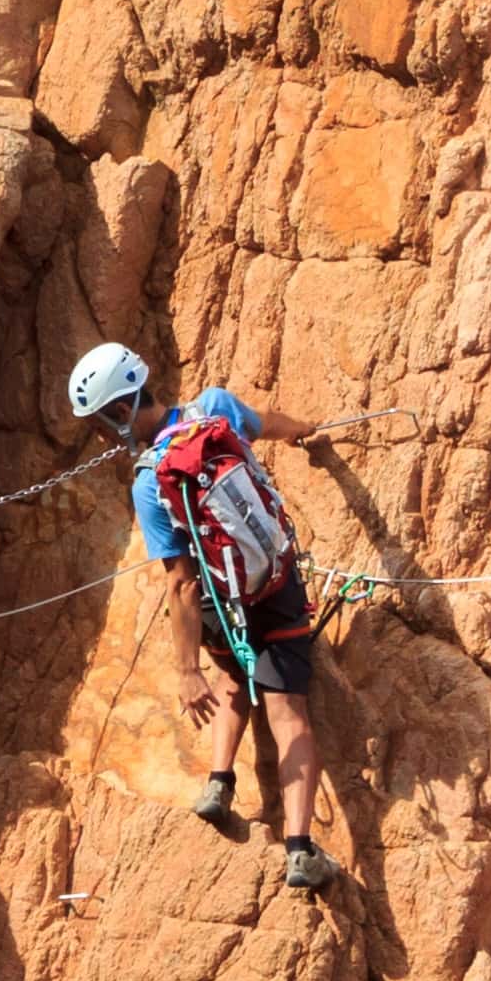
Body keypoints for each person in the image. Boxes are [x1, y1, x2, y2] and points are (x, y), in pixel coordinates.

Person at [71, 341, 349, 895]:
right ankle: (300, 850)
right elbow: (266, 424)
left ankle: (219, 783)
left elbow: (181, 582)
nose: (102, 437)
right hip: (274, 584)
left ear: (122, 412)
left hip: (222, 604)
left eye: (102, 425)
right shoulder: (215, 408)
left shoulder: (149, 482)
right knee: (288, 711)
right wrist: (302, 429)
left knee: (229, 677)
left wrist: (185, 669)